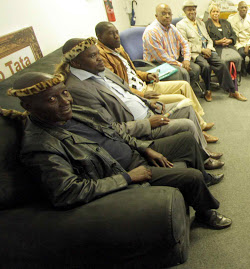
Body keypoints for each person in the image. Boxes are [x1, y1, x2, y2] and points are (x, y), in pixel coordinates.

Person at [11, 72, 231, 229]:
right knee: (190, 177)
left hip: (134, 154)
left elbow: (115, 132)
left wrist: (145, 148)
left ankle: (204, 176)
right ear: (28, 107)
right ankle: (204, 214)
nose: (65, 102)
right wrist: (127, 177)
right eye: (51, 99)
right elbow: (68, 192)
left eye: (64, 93)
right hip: (121, 172)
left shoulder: (74, 112)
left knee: (186, 139)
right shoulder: (40, 146)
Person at [55, 38, 224, 170]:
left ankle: (203, 153)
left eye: (98, 54)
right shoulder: (78, 90)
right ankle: (203, 161)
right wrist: (147, 123)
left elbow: (127, 91)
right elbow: (109, 128)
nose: (100, 59)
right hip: (141, 127)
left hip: (148, 112)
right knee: (187, 124)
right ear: (76, 63)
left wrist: (148, 103)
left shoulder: (100, 70)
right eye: (93, 56)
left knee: (187, 107)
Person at [95, 21, 213, 132]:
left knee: (184, 85)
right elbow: (118, 86)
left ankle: (200, 123)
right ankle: (199, 128)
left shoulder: (118, 48)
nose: (116, 36)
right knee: (183, 100)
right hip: (139, 94)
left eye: (116, 32)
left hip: (144, 85)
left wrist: (147, 75)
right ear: (99, 36)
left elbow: (132, 71)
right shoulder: (101, 56)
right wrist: (143, 95)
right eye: (111, 33)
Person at [177, 0, 247, 102]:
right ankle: (208, 91)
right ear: (184, 11)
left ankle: (232, 91)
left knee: (221, 64)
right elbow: (185, 44)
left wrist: (209, 48)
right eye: (189, 10)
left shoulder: (200, 22)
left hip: (208, 50)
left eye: (193, 9)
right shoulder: (181, 25)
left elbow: (208, 38)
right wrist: (202, 50)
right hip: (196, 52)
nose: (192, 12)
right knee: (206, 66)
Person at [142, 4, 194, 83]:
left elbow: (184, 43)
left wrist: (186, 60)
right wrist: (181, 65)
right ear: (156, 16)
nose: (167, 16)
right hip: (157, 64)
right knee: (182, 72)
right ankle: (182, 93)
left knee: (195, 68)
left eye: (169, 14)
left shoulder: (172, 27)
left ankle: (189, 91)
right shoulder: (151, 32)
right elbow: (162, 58)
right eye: (163, 14)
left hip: (173, 61)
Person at [205, 4, 243, 73]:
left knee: (238, 58)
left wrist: (230, 40)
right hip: (216, 48)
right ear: (210, 13)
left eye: (217, 11)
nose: (216, 13)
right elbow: (205, 39)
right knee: (224, 61)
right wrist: (217, 42)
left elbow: (234, 34)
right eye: (213, 11)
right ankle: (225, 77)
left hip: (229, 46)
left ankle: (235, 75)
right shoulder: (206, 24)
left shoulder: (226, 22)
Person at [228, 1, 250, 76]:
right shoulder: (232, 19)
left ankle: (249, 68)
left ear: (247, 9)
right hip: (239, 42)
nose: (244, 9)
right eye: (242, 7)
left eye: (245, 7)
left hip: (249, 41)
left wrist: (248, 45)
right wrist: (241, 45)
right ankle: (243, 68)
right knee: (241, 53)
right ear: (238, 9)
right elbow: (234, 35)